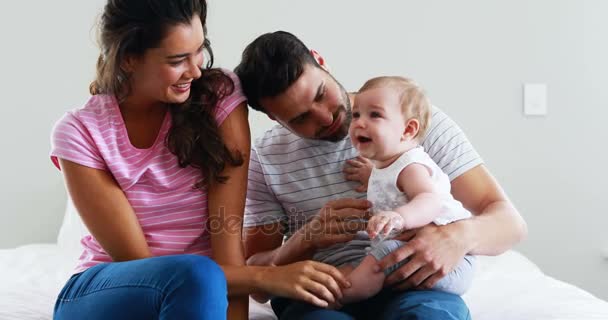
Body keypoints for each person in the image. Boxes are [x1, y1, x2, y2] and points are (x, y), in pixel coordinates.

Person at [50, 3, 351, 320]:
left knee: (203, 277)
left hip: (200, 295)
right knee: (198, 274)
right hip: (109, 292)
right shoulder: (80, 132)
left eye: (199, 51)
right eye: (178, 60)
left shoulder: (219, 97)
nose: (195, 71)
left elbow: (228, 245)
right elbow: (140, 266)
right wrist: (266, 276)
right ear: (129, 58)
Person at [235, 31, 527, 320]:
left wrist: (457, 236)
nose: (325, 117)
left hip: (413, 284)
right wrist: (307, 238)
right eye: (300, 118)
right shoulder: (264, 158)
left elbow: (510, 224)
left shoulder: (410, 121)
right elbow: (258, 282)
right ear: (275, 118)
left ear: (320, 61)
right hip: (326, 294)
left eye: (321, 94)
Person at [317, 76, 475, 304]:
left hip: (450, 262)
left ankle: (345, 298)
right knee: (368, 260)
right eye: (357, 114)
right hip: (417, 253)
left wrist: (399, 217)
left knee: (380, 258)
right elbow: (393, 184)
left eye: (375, 115)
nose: (360, 123)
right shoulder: (387, 165)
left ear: (408, 130)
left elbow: (430, 200)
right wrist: (370, 176)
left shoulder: (411, 166)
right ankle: (350, 281)